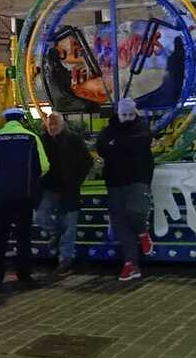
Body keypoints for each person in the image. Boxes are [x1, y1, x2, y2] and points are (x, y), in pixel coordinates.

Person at [0, 107, 49, 291]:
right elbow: (44, 166)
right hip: (24, 196)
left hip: (1, 196)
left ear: (5, 120)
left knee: (0, 238)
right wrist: (30, 181)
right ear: (21, 120)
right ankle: (24, 277)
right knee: (23, 237)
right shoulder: (31, 138)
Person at [96, 96, 155, 281]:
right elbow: (102, 148)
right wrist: (123, 146)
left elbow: (138, 143)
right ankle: (130, 263)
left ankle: (142, 232)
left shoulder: (142, 129)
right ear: (118, 114)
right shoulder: (108, 130)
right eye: (124, 114)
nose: (127, 117)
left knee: (136, 210)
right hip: (115, 181)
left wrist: (116, 145)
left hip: (137, 178)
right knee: (120, 223)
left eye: (130, 114)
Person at [36, 112, 93, 277]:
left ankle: (65, 259)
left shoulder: (73, 139)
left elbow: (87, 161)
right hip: (50, 187)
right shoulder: (42, 140)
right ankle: (57, 236)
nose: (52, 128)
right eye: (50, 125)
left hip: (69, 188)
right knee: (42, 217)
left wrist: (76, 180)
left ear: (62, 125)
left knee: (69, 224)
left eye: (55, 125)